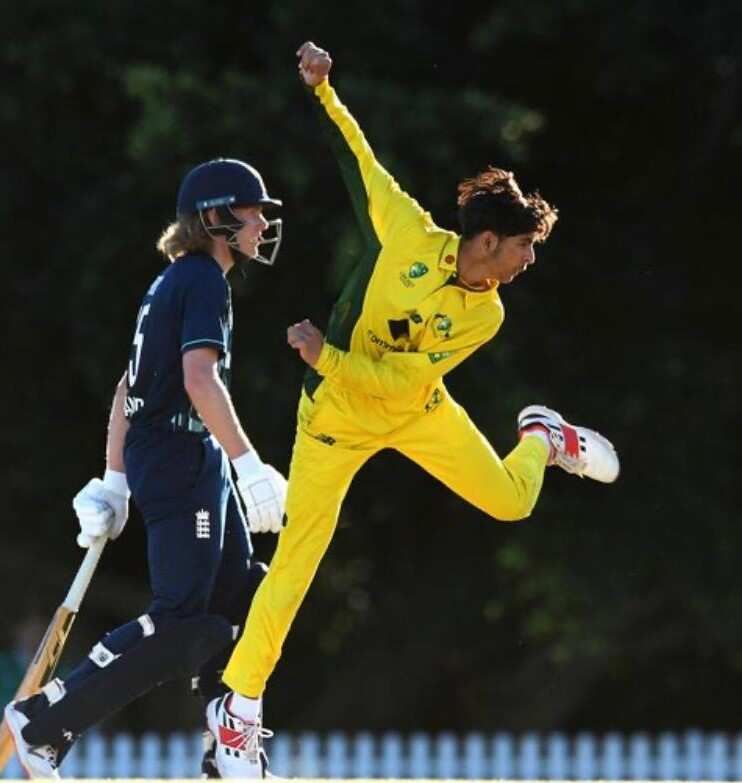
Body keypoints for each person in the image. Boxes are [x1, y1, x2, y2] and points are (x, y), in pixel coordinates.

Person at [206, 42, 621, 778]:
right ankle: (238, 709)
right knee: (297, 564)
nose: (529, 263)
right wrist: (323, 89)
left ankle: (540, 435)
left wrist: (322, 353)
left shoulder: (486, 315)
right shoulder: (404, 232)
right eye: (524, 249)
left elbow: (396, 387)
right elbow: (357, 157)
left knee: (511, 501)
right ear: (486, 240)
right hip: (332, 420)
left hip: (413, 408)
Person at [4, 158, 287, 779]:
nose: (263, 223)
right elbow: (198, 377)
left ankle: (227, 747)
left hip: (182, 455)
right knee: (183, 623)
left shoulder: (174, 281)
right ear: (216, 217)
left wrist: (114, 478)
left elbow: (128, 383)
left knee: (244, 592)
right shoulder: (202, 281)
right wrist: (249, 462)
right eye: (253, 211)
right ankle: (43, 723)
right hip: (181, 456)